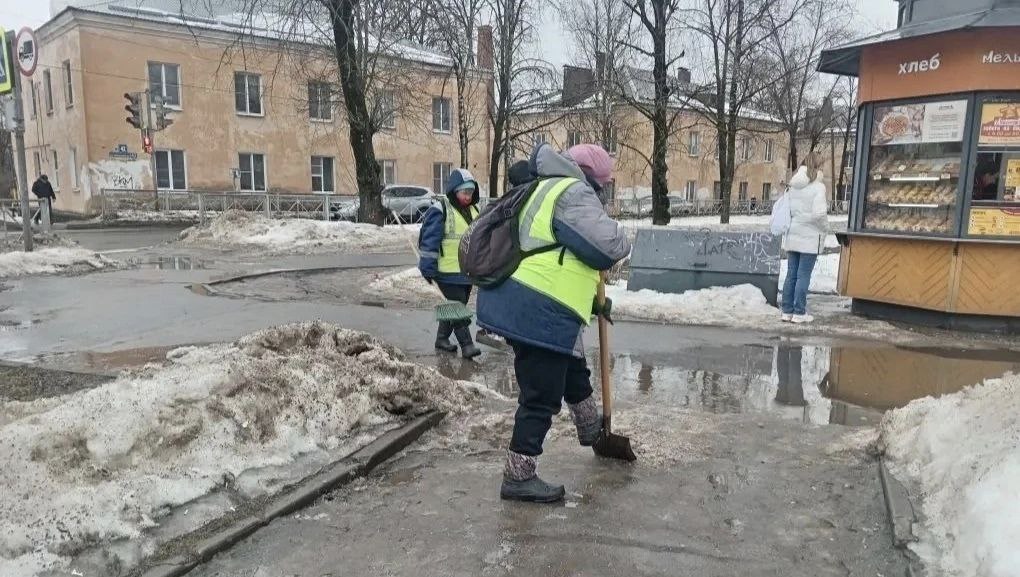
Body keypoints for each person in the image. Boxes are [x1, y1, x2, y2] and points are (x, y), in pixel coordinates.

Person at [477, 143, 631, 503]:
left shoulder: (548, 186)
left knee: (572, 367)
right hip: (536, 307)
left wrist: (595, 303)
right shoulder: (570, 190)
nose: (605, 191)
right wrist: (621, 232)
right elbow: (607, 245)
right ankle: (519, 475)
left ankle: (592, 429)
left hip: (536, 303)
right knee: (542, 394)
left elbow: (565, 254)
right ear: (593, 178)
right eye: (605, 184)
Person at [418, 168, 482, 359]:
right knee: (457, 309)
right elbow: (430, 239)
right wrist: (427, 267)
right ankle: (467, 345)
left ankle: (441, 338)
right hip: (446, 271)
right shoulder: (441, 209)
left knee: (453, 305)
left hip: (466, 272)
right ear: (454, 191)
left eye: (471, 193)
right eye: (464, 192)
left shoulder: (474, 210)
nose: (468, 197)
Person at [781, 155, 828, 324]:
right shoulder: (818, 188)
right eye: (822, 165)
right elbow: (819, 214)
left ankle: (787, 311)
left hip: (792, 235)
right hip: (809, 238)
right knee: (803, 276)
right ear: (817, 167)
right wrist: (825, 228)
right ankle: (799, 312)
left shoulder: (793, 186)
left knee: (791, 275)